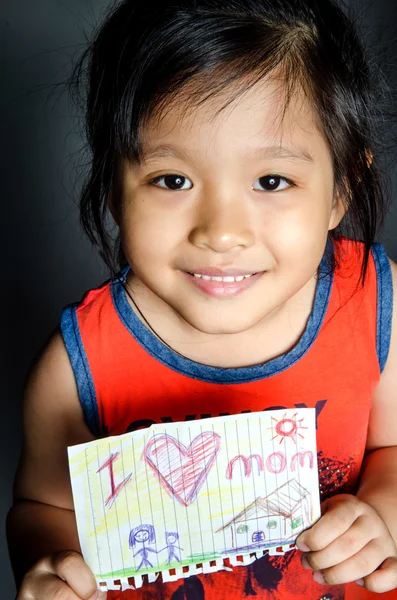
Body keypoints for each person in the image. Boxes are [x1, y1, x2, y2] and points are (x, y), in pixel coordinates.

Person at [6, 0, 397, 598]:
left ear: (344, 188)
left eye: (271, 181)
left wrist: (384, 513)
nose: (220, 232)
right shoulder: (76, 367)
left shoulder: (374, 307)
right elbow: (42, 506)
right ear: (115, 189)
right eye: (173, 180)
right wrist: (48, 566)